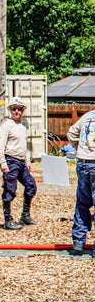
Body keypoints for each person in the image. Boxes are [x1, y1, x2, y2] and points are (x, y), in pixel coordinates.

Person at [0, 97, 37, 230]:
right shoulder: (6, 125)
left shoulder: (23, 125)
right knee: (9, 190)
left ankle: (25, 215)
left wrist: (27, 160)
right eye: (14, 109)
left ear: (22, 111)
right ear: (10, 111)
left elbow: (24, 146)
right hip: (10, 160)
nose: (16, 111)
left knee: (31, 186)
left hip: (21, 162)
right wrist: (2, 162)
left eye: (19, 109)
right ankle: (7, 219)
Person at [67, 106, 95, 251]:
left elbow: (71, 133)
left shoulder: (88, 116)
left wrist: (79, 148)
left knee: (82, 202)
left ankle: (78, 241)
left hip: (83, 162)